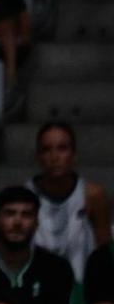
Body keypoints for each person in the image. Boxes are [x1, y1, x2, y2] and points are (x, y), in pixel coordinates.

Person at [32, 120, 111, 282]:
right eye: (47, 149)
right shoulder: (26, 197)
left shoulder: (94, 196)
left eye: (62, 148)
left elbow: (106, 254)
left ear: (74, 155)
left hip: (83, 295)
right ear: (38, 156)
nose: (54, 157)